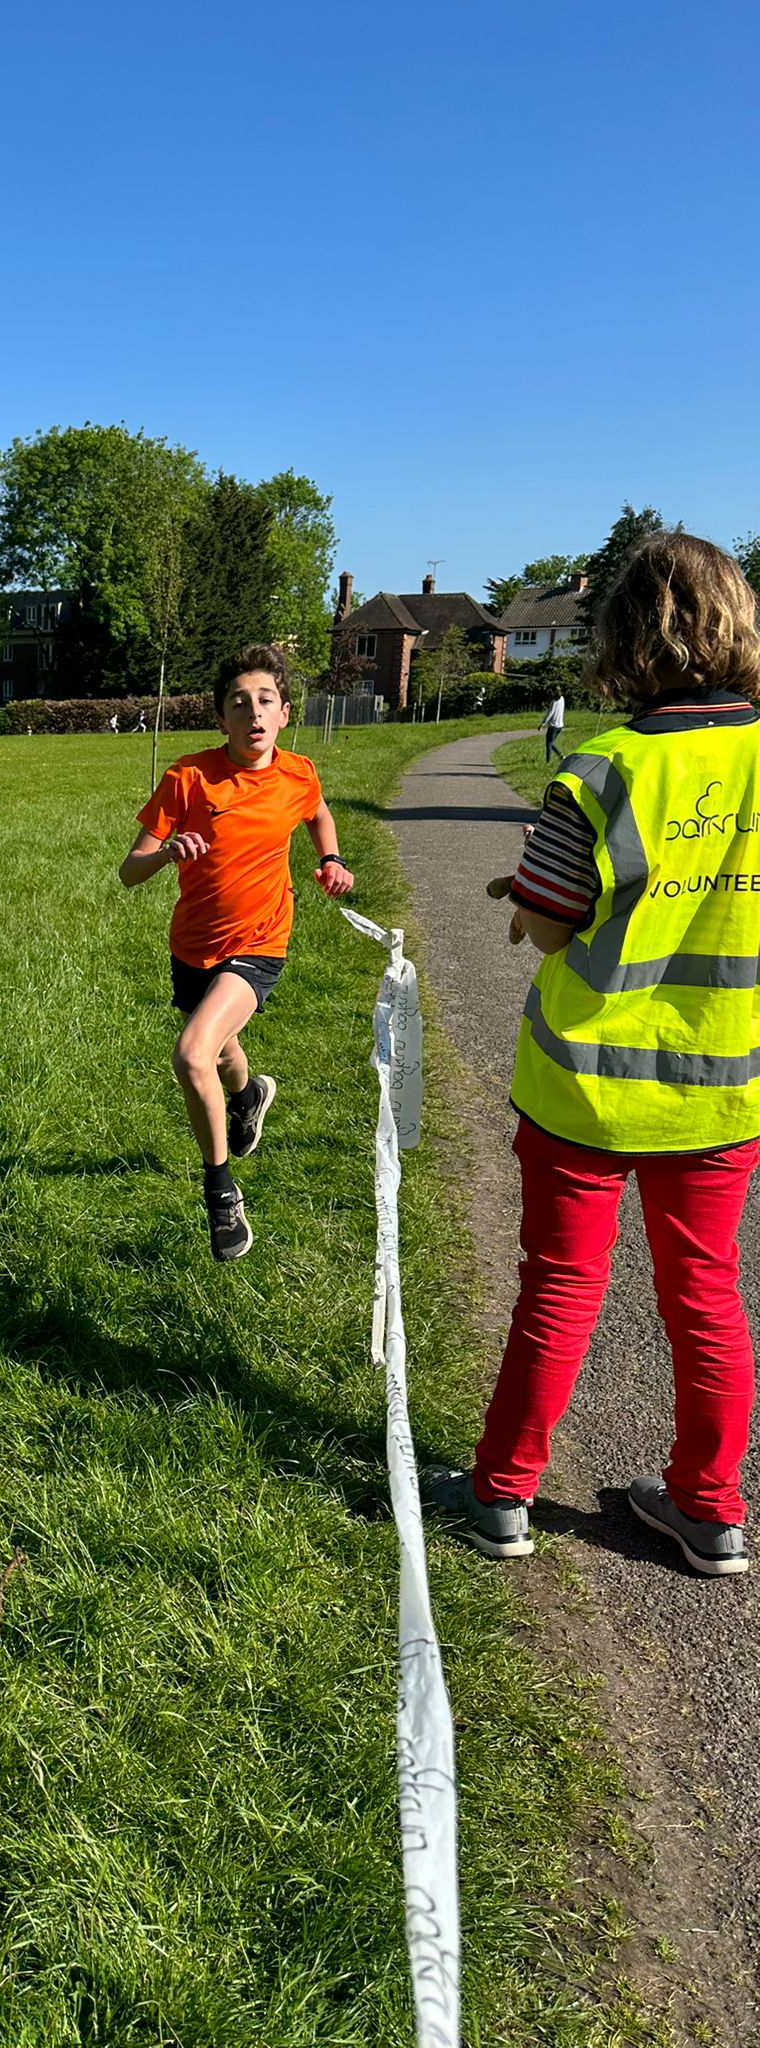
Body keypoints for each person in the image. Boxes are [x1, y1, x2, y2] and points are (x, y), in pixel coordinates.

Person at [423, 534, 760, 1576]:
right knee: (705, 1293)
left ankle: (504, 1492)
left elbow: (556, 919)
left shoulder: (608, 766)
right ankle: (710, 1507)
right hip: (723, 1091)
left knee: (559, 1288)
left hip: (583, 1092)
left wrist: (524, 908)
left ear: (623, 638)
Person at [119, 644, 353, 1261]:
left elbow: (318, 813)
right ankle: (249, 1097)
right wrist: (167, 852)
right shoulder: (187, 778)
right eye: (238, 703)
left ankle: (221, 1194)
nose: (253, 712)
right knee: (222, 1054)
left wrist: (329, 858)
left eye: (265, 701)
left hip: (260, 943)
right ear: (221, 719)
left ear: (283, 714)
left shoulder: (298, 773)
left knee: (192, 1053)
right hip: (192, 945)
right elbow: (129, 870)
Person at [539, 689, 566, 765]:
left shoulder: (553, 703)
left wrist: (543, 724)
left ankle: (548, 761)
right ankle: (560, 755)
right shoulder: (562, 699)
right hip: (560, 726)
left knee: (548, 744)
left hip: (553, 726)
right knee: (551, 743)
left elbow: (550, 714)